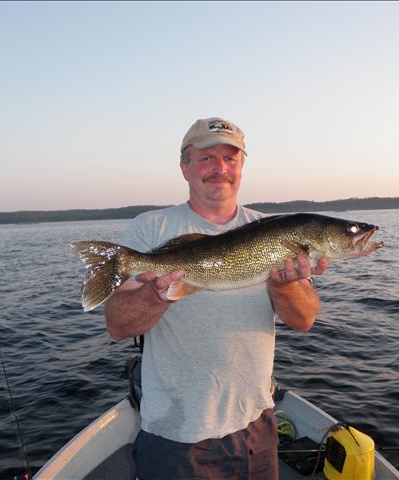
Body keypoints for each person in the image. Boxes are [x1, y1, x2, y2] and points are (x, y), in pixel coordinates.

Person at [104, 117, 328, 479]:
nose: (219, 169)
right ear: (185, 167)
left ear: (241, 167)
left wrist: (285, 285)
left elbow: (304, 321)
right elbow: (117, 325)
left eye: (230, 158)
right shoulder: (152, 229)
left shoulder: (273, 231)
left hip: (256, 425)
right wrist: (156, 292)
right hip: (178, 433)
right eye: (206, 158)